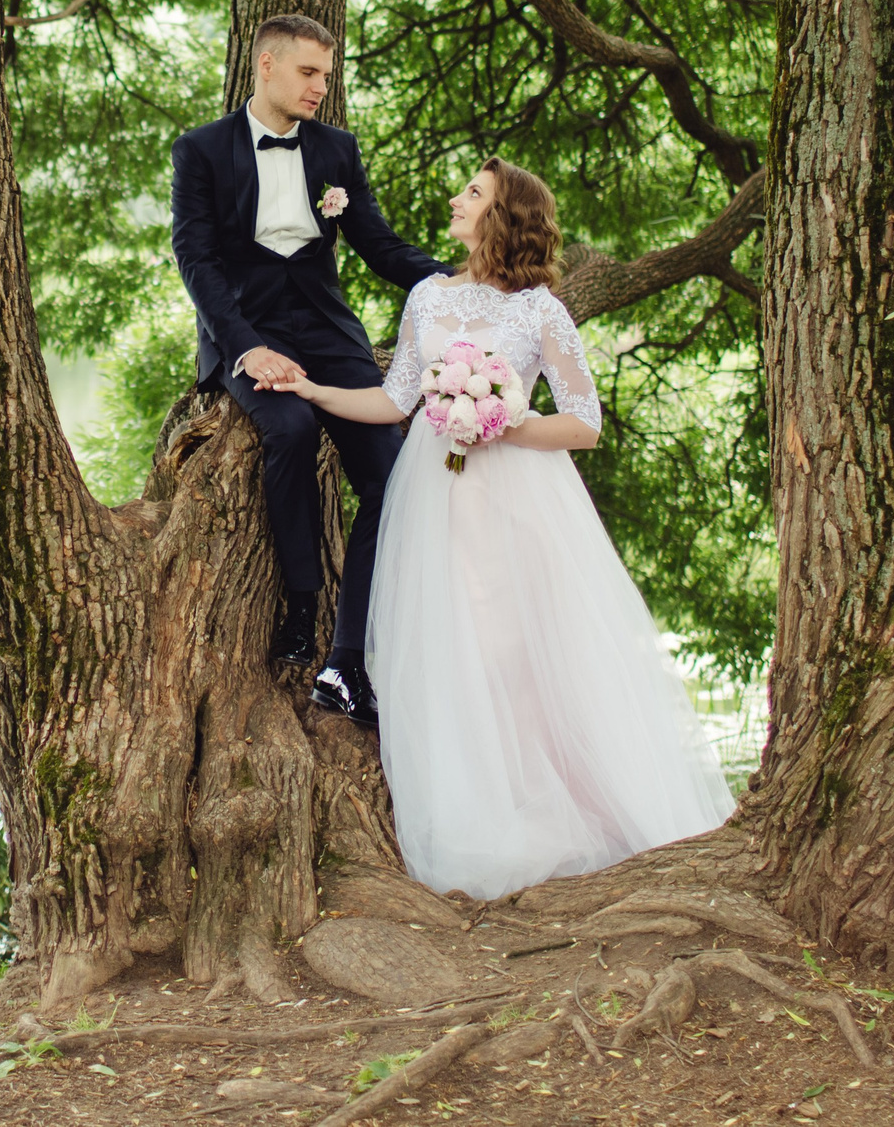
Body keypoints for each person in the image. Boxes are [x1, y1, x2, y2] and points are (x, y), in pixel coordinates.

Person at [275, 158, 733, 898]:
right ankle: (482, 812)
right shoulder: (427, 296)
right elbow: (394, 401)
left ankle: (552, 805)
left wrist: (500, 419)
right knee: (451, 651)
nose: (456, 200)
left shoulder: (540, 311)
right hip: (435, 504)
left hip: (515, 502)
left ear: (504, 215)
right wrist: (311, 390)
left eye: (473, 193)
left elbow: (585, 423)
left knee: (515, 653)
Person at [168, 14, 447, 726]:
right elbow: (196, 260)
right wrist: (244, 347)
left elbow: (378, 244)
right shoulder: (201, 150)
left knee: (391, 472)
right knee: (289, 429)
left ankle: (346, 658)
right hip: (248, 328)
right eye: (309, 72)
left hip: (327, 330)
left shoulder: (335, 149)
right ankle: (301, 599)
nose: (322, 86)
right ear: (266, 65)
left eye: (326, 74)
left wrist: (458, 281)